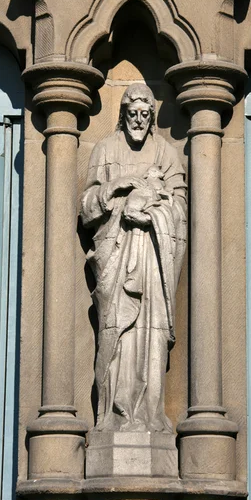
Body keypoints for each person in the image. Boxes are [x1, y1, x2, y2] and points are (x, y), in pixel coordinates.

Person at [81, 83, 187, 433]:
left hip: (154, 264)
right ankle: (114, 414)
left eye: (145, 114)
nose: (138, 120)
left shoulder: (167, 154)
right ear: (122, 114)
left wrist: (153, 215)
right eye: (132, 114)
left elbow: (181, 210)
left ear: (152, 117)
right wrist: (116, 186)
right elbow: (86, 209)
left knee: (151, 336)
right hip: (115, 260)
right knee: (118, 335)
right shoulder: (105, 150)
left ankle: (150, 414)